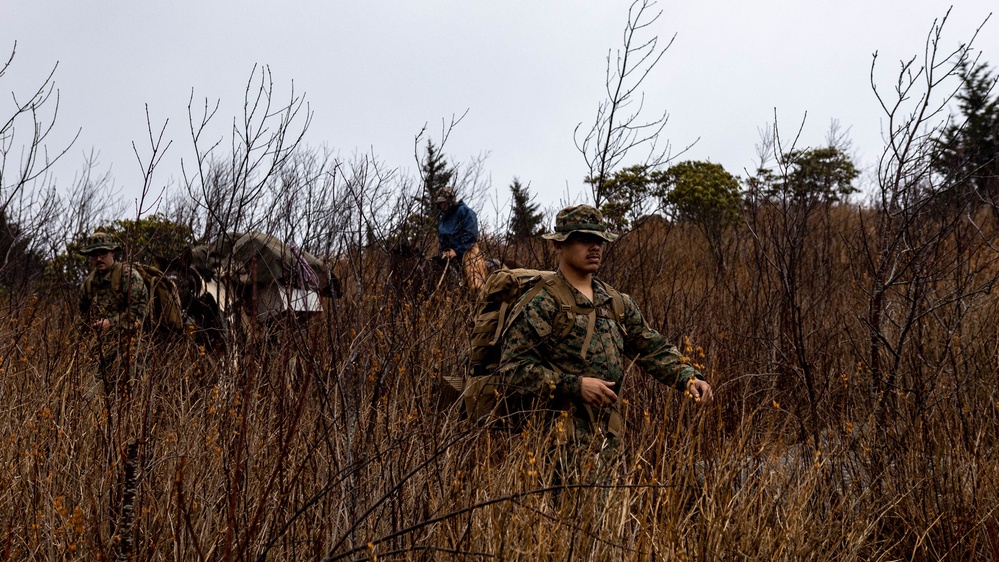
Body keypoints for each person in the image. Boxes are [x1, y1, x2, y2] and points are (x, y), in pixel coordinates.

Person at [497, 205, 713, 482]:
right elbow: (513, 370)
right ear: (560, 244)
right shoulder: (541, 302)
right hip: (554, 442)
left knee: (602, 521)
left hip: (608, 440)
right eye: (584, 239)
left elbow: (652, 348)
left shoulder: (616, 302)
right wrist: (575, 386)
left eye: (599, 240)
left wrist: (689, 377)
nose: (595, 247)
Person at [78, 231, 149, 394]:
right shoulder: (89, 284)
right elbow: (83, 318)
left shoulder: (129, 277)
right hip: (98, 353)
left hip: (129, 350)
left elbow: (139, 313)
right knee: (91, 399)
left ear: (112, 253)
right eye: (93, 255)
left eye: (102, 253)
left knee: (128, 398)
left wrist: (111, 323)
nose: (98, 259)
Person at [436, 186, 487, 292]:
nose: (442, 205)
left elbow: (470, 235)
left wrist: (456, 251)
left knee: (476, 285)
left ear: (450, 201)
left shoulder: (465, 211)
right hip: (447, 254)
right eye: (440, 203)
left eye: (444, 202)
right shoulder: (442, 218)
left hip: (467, 250)